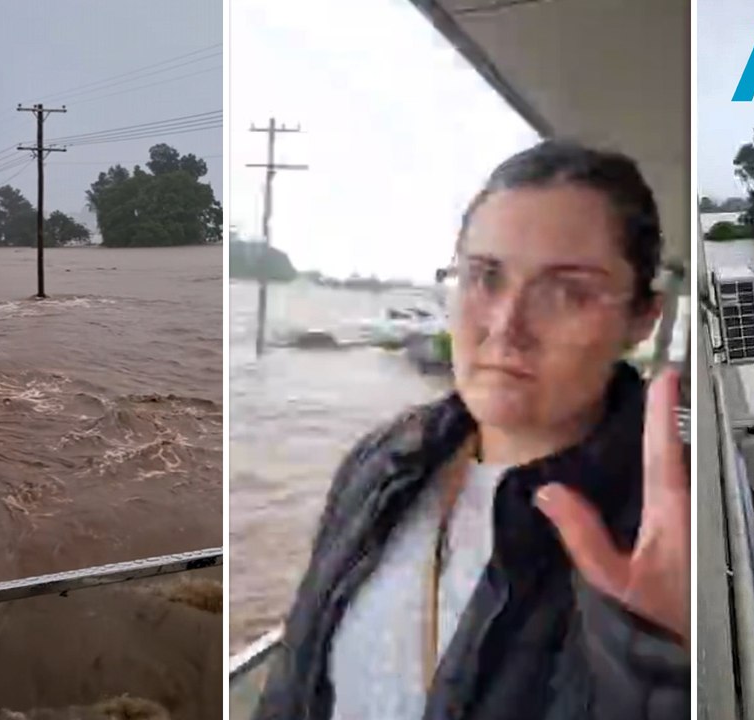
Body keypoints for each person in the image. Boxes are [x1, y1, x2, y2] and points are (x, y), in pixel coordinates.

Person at [253, 140, 691, 720]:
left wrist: (668, 674)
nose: (506, 328)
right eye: (485, 276)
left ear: (643, 318)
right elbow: (295, 679)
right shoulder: (384, 462)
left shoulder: (676, 537)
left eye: (567, 292)